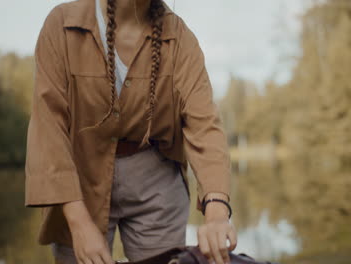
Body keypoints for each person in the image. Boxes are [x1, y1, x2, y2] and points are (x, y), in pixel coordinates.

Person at [24, 0, 237, 263]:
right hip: (80, 182)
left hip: (156, 181)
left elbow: (204, 125)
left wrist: (216, 211)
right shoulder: (62, 25)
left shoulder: (180, 37)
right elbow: (49, 129)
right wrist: (78, 223)